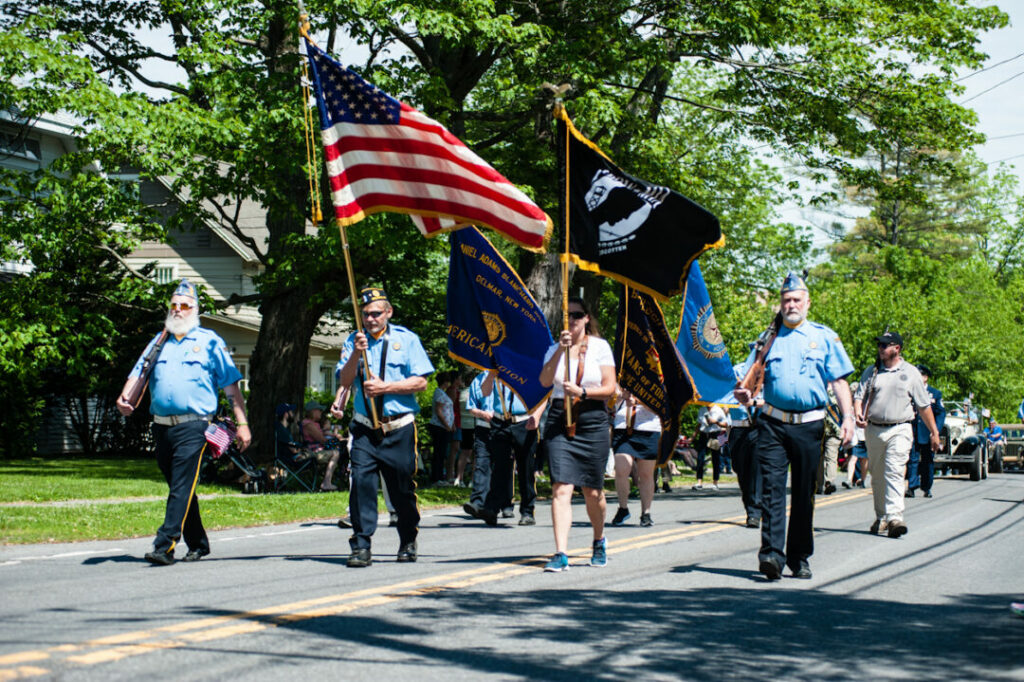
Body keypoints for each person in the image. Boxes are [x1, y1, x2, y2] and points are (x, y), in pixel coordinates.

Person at [116, 279, 250, 566]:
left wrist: (242, 424)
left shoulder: (209, 341)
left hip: (195, 425)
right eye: (174, 305)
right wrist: (124, 398)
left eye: (185, 305)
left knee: (180, 485)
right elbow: (139, 372)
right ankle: (198, 543)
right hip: (161, 425)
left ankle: (164, 545)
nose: (178, 310)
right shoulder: (159, 340)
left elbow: (231, 387)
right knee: (181, 486)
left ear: (195, 309)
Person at [734, 272, 855, 581]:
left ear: (807, 303)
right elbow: (750, 378)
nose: (791, 305)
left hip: (810, 424)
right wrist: (746, 393)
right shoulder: (767, 338)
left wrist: (849, 419)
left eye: (796, 300)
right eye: (786, 300)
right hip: (772, 423)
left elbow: (840, 382)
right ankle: (772, 555)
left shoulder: (824, 336)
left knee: (804, 492)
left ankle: (799, 556)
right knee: (773, 490)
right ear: (781, 303)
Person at [334, 286, 433, 567]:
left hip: (398, 427)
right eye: (365, 314)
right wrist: (355, 353)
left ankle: (407, 539)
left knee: (402, 489)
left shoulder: (407, 340)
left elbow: (421, 382)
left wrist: (386, 387)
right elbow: (344, 380)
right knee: (361, 486)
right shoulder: (354, 341)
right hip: (365, 428)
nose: (371, 319)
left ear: (388, 312)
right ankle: (361, 545)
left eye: (376, 313)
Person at [538, 296, 617, 571]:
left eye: (576, 315)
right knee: (561, 487)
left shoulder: (600, 348)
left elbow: (610, 388)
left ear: (586, 318)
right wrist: (560, 351)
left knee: (592, 491)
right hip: (560, 418)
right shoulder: (553, 348)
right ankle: (560, 552)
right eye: (567, 315)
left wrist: (583, 392)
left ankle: (598, 539)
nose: (571, 320)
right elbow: (545, 381)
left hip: (592, 418)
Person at [854, 331, 941, 539]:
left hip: (901, 428)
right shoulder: (872, 371)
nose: (881, 349)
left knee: (894, 470)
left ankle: (895, 517)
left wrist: (934, 433)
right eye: (879, 345)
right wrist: (858, 411)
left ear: (897, 348)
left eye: (885, 345)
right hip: (874, 428)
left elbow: (923, 406)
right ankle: (882, 516)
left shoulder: (910, 373)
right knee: (877, 477)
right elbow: (859, 396)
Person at [480, 374, 547, 526]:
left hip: (524, 421)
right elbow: (484, 392)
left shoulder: (526, 366)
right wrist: (491, 373)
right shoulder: (496, 367)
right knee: (499, 467)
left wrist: (536, 416)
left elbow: (544, 394)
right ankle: (492, 508)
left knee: (526, 469)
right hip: (500, 422)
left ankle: (527, 511)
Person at [609, 389, 661, 527]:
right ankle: (623, 508)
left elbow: (661, 406)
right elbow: (610, 396)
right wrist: (621, 395)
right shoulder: (621, 374)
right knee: (621, 469)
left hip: (648, 428)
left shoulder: (655, 377)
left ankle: (646, 513)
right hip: (622, 427)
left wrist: (638, 401)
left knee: (645, 474)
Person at [728, 371, 762, 528]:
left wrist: (754, 403)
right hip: (737, 428)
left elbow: (771, 400)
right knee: (741, 471)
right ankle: (750, 504)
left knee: (756, 470)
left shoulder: (767, 374)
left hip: (757, 428)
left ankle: (754, 512)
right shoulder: (737, 371)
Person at [912, 365, 945, 498]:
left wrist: (935, 431)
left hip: (928, 432)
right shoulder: (910, 391)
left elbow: (940, 413)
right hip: (913, 430)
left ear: (925, 377)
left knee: (928, 461)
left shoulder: (935, 394)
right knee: (912, 459)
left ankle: (927, 487)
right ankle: (912, 486)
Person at [301, 400, 342, 491]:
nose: (321, 412)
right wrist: (335, 440)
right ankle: (326, 483)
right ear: (313, 411)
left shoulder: (314, 424)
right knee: (336, 453)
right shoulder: (308, 424)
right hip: (314, 452)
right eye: (319, 410)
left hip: (319, 449)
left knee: (341, 447)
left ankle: (337, 479)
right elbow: (322, 440)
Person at [428, 371, 455, 484]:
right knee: (439, 453)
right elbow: (439, 411)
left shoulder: (442, 393)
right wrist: (446, 425)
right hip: (439, 427)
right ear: (445, 382)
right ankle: (436, 478)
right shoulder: (439, 393)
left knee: (442, 452)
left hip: (443, 427)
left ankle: (439, 476)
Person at [693, 403, 728, 491]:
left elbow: (725, 424)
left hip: (715, 434)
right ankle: (699, 481)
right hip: (704, 434)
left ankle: (715, 482)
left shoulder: (718, 409)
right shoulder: (702, 409)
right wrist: (693, 436)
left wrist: (715, 422)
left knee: (716, 458)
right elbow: (699, 424)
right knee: (700, 458)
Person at [816, 387, 842, 495]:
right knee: (818, 457)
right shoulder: (817, 389)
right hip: (818, 430)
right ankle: (819, 485)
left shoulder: (839, 391)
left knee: (831, 457)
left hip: (834, 430)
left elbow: (845, 411)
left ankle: (829, 482)